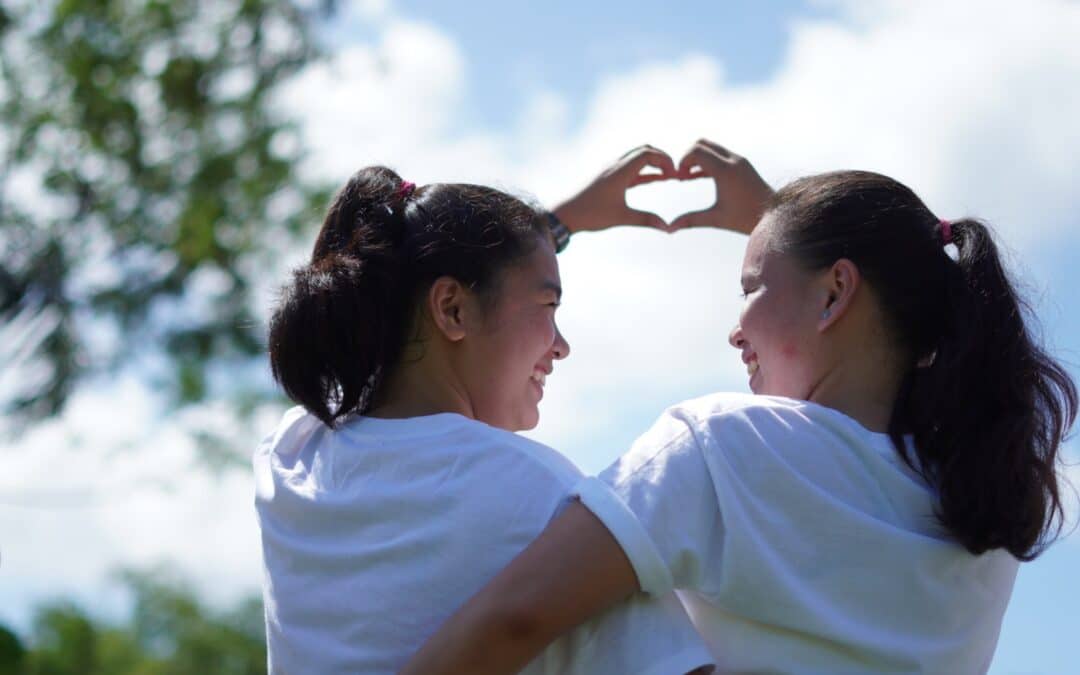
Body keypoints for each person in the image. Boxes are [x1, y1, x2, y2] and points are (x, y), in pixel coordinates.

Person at [401, 139, 1078, 674]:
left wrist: (558, 220)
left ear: (837, 293)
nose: (735, 328)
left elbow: (516, 619)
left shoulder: (724, 448)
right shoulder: (983, 512)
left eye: (750, 287)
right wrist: (787, 221)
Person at [254, 150, 718, 674]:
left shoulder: (292, 459)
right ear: (451, 309)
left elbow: (409, 271)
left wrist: (553, 226)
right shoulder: (542, 494)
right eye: (549, 307)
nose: (560, 345)